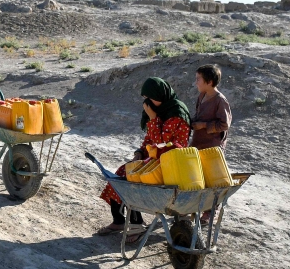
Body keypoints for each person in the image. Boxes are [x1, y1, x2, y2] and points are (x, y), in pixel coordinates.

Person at [97, 77, 191, 242]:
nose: (148, 101)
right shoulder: (160, 109)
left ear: (161, 94)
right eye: (145, 98)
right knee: (120, 174)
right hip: (155, 156)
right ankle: (119, 221)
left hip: (171, 160)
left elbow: (161, 141)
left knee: (130, 179)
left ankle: (137, 225)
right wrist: (140, 151)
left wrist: (153, 117)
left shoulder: (176, 112)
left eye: (151, 97)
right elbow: (150, 139)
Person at [191, 64, 232, 150]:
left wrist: (203, 125)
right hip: (198, 142)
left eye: (198, 79)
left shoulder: (220, 101)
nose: (196, 83)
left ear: (209, 82)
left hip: (212, 146)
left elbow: (224, 125)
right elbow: (198, 114)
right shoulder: (202, 95)